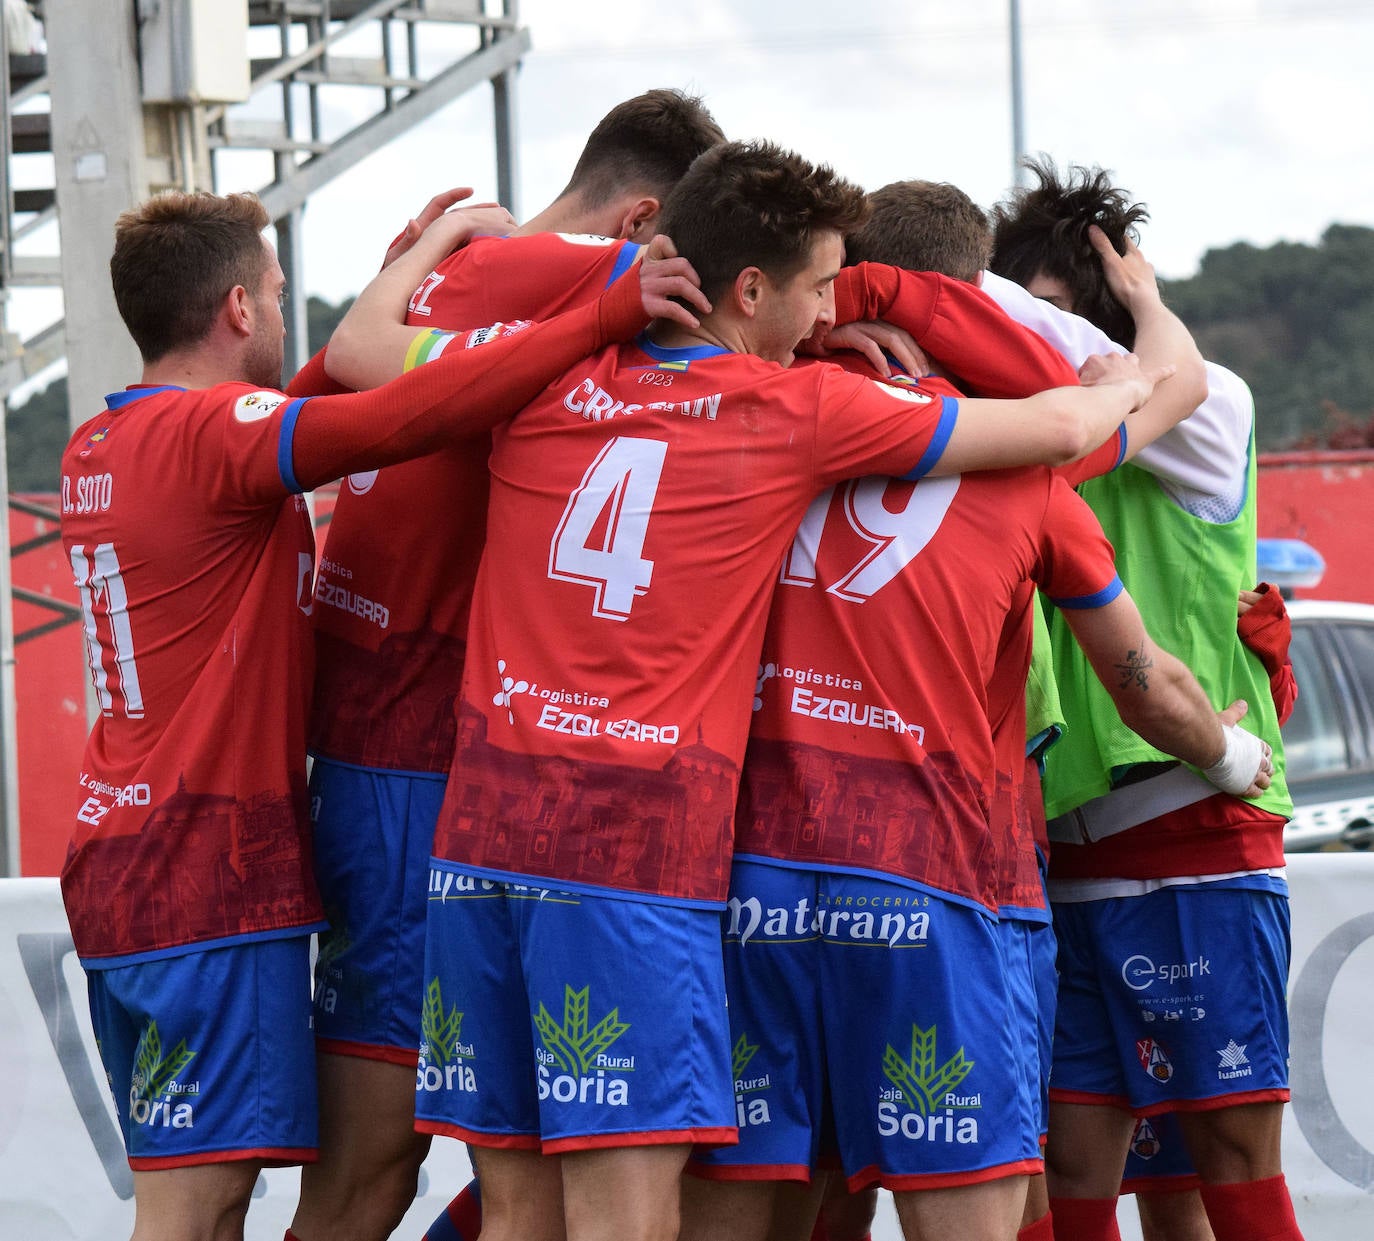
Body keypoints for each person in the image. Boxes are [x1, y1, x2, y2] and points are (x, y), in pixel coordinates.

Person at [327, 135, 1200, 1241]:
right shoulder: (791, 414)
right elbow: (1065, 428)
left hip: (479, 851)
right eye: (821, 286)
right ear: (750, 289)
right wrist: (1116, 378)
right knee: (627, 1218)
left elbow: (360, 352)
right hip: (632, 861)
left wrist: (442, 243)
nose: (831, 310)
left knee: (515, 1215)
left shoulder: (543, 372)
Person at [59, 188, 698, 1241]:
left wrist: (418, 252)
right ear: (234, 310)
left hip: (120, 852)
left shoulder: (109, 440)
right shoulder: (219, 436)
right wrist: (596, 319)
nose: (280, 311)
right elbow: (399, 411)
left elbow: (329, 384)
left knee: (204, 1192)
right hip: (203, 868)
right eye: (271, 292)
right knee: (198, 1204)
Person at [679, 179, 1267, 1241]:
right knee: (992, 1198)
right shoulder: (1034, 457)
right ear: (978, 300)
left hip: (750, 889)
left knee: (776, 1204)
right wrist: (1234, 755)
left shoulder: (749, 421)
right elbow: (1148, 667)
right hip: (944, 886)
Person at [287, 88, 725, 1241]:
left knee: (515, 1148)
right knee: (401, 1165)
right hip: (421, 766)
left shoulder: (455, 259)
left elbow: (347, 356)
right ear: (641, 221)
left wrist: (423, 245)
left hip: (380, 744)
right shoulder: (587, 285)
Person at [987, 157, 1303, 1241]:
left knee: (1223, 1162)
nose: (1024, 341)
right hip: (1061, 848)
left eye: (1051, 313)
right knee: (1074, 1166)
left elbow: (1098, 359)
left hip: (1195, 825)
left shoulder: (1213, 401)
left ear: (1112, 313)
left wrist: (962, 286)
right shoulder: (1013, 433)